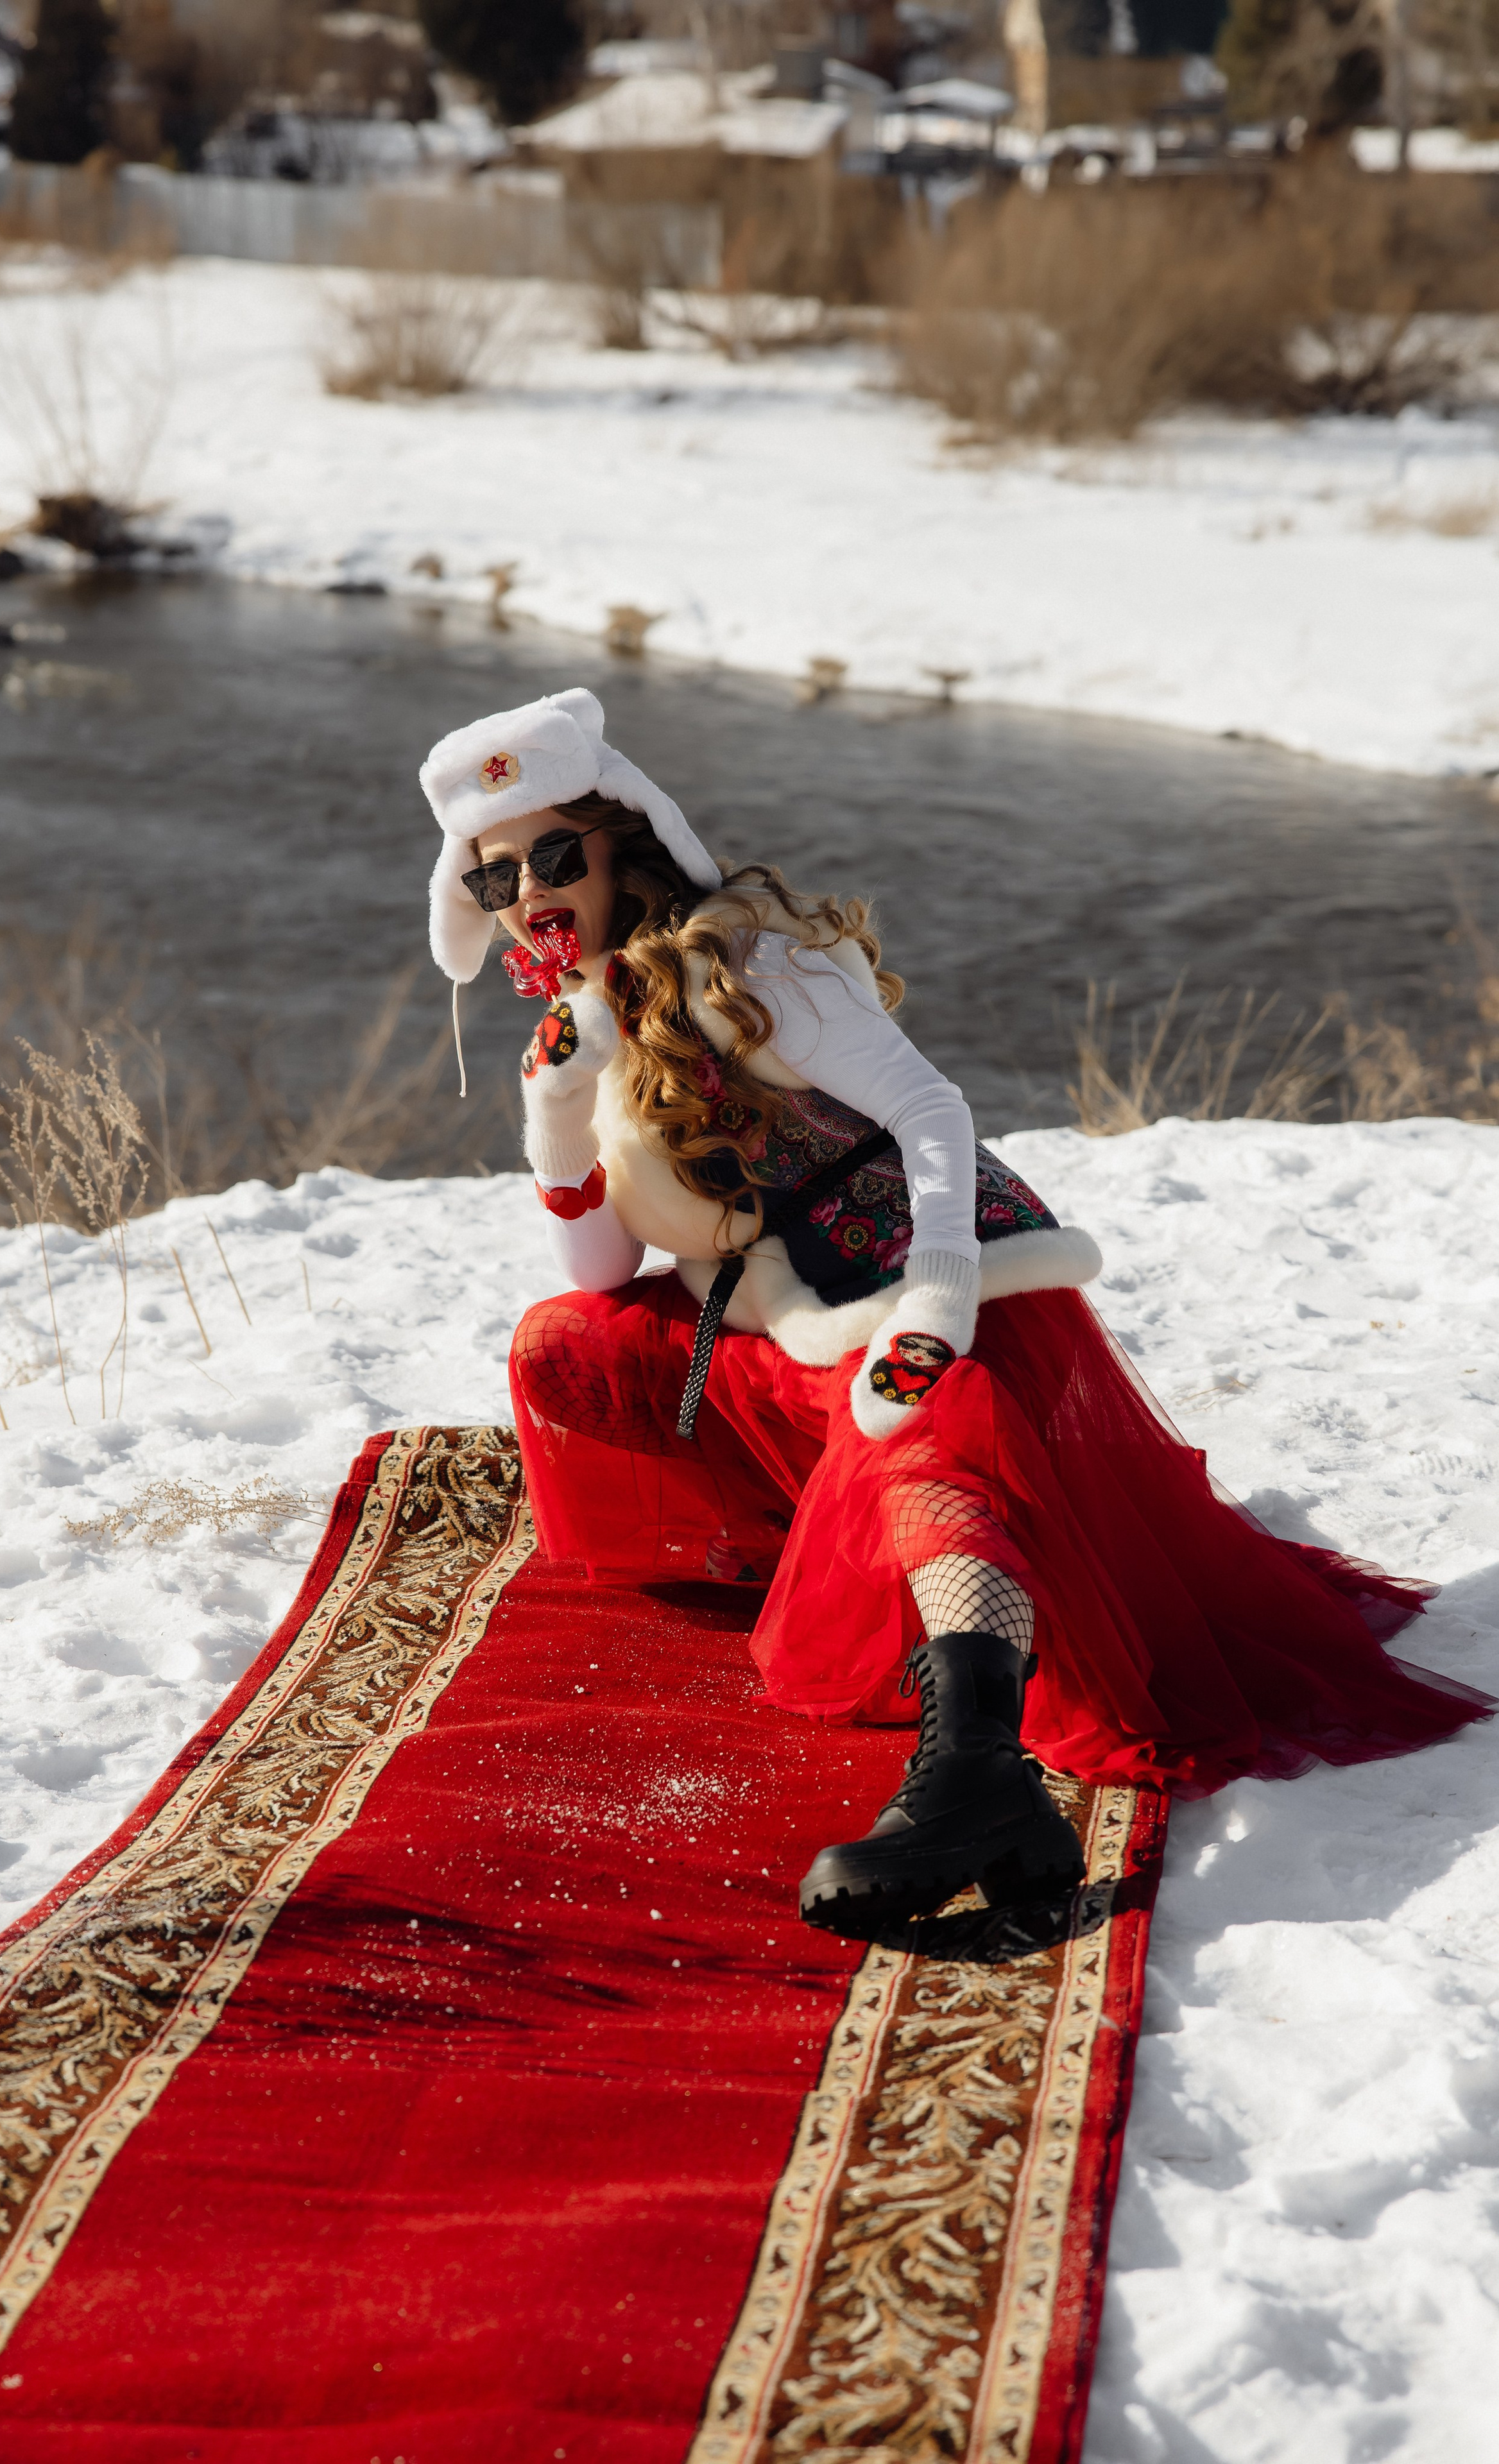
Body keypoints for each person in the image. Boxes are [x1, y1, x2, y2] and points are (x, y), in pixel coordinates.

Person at [420, 688, 1489, 1937]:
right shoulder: (590, 1015)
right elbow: (598, 1273)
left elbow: (931, 1110)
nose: (528, 891)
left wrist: (936, 1297)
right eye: (494, 879)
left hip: (935, 1290)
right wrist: (555, 1117)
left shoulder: (750, 952)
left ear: (625, 839)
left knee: (929, 1423)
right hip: (780, 1315)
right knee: (567, 1349)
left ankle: (974, 1771)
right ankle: (800, 1556)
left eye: (552, 853)